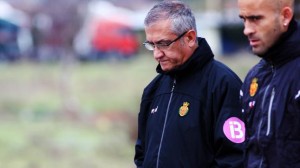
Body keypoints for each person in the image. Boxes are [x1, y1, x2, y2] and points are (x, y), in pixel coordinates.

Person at [134, 1, 245, 167]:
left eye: (163, 43)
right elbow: (142, 154)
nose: (157, 54)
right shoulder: (153, 90)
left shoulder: (224, 84)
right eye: (152, 45)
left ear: (190, 38)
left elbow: (234, 158)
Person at [238, 0, 300, 167]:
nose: (247, 30)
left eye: (256, 18)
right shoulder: (253, 77)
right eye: (243, 19)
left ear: (285, 16)